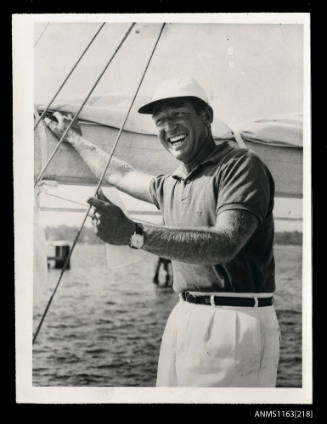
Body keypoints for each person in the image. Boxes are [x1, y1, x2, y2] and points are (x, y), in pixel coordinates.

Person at [45, 76, 280, 387]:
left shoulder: (240, 165)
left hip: (234, 320)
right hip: (185, 314)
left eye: (178, 115)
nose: (168, 127)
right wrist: (73, 138)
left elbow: (225, 243)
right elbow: (120, 173)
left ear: (206, 117)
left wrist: (133, 234)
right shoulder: (171, 183)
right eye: (160, 120)